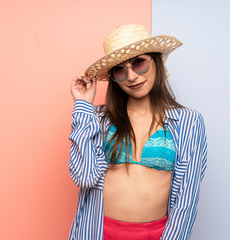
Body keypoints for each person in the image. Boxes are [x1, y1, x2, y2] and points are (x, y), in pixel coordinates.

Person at [68, 24, 208, 240]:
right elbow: (85, 176)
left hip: (157, 234)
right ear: (114, 77)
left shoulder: (188, 122)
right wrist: (83, 106)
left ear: (157, 62)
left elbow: (186, 199)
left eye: (139, 63)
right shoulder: (98, 118)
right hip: (97, 232)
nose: (132, 76)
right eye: (120, 70)